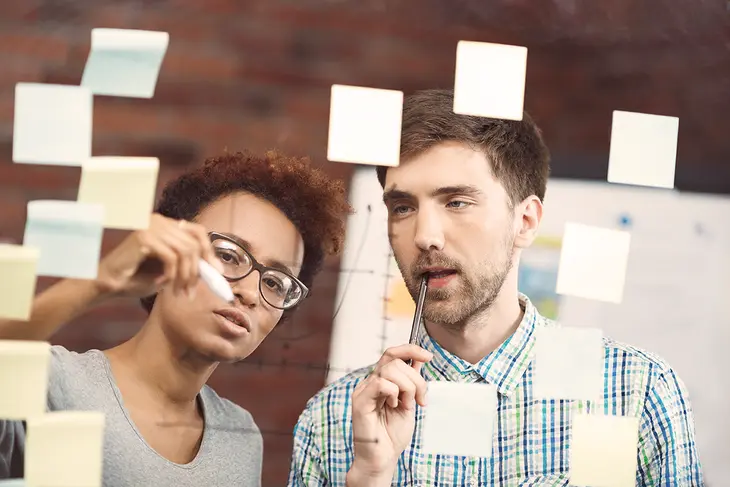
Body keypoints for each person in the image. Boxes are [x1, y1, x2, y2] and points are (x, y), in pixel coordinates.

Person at [287, 89, 703, 486]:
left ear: (525, 222)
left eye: (456, 202)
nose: (425, 236)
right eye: (403, 207)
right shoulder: (333, 420)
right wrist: (370, 480)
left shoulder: (635, 389)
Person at [0, 150, 351, 486]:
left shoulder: (241, 438)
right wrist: (99, 281)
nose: (248, 291)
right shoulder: (53, 382)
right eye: (228, 255)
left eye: (276, 282)